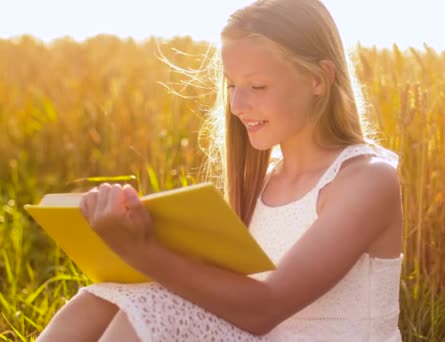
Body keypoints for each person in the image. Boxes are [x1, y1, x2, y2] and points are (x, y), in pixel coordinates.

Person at [37, 0, 404, 340]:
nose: (237, 104)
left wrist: (142, 251)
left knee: (155, 309)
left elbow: (265, 308)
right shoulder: (262, 183)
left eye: (257, 85)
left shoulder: (367, 180)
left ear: (318, 80)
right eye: (231, 85)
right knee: (104, 298)